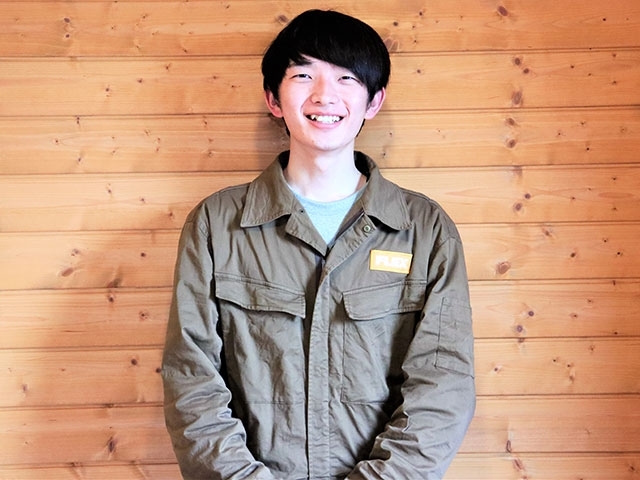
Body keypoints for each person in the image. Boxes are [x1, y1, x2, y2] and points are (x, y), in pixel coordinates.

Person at [162, 9, 475, 480]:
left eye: (347, 78)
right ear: (274, 98)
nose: (325, 95)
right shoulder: (216, 225)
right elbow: (192, 378)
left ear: (374, 101)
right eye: (303, 75)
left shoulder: (426, 230)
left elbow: (444, 385)